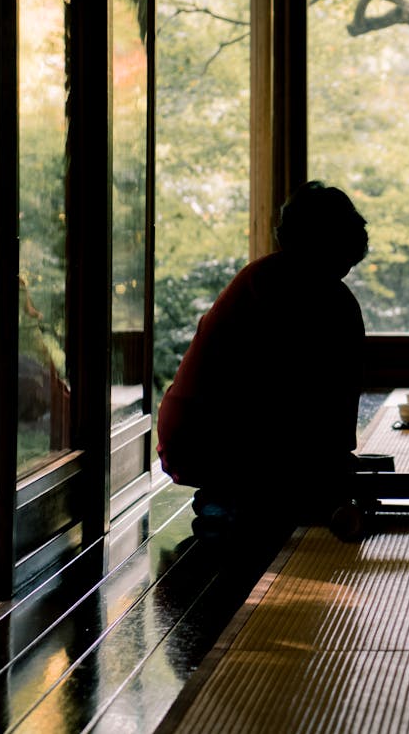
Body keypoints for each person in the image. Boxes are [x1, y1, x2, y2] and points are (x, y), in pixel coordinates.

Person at [156, 181, 369, 537]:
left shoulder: (263, 276)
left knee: (320, 484)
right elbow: (318, 403)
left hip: (198, 434)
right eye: (344, 260)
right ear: (331, 246)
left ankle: (236, 500)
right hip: (215, 442)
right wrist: (335, 468)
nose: (346, 271)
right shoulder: (303, 294)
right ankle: (235, 503)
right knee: (314, 494)